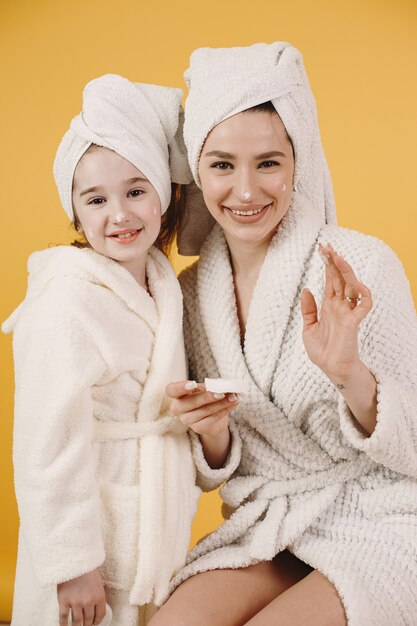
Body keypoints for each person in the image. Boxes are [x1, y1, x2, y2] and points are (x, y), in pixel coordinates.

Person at [149, 42, 417, 626]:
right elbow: (216, 465)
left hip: (383, 517)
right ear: (197, 168)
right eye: (222, 165)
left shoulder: (361, 267)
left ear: (300, 161)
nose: (246, 192)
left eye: (268, 162)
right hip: (271, 522)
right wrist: (214, 435)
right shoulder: (191, 295)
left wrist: (352, 375)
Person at [2, 74, 201, 626]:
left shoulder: (162, 287)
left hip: (152, 535)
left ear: (165, 194)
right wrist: (73, 565)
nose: (120, 214)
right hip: (89, 553)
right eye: (97, 198)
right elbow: (47, 444)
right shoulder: (63, 302)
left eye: (137, 190)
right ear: (75, 211)